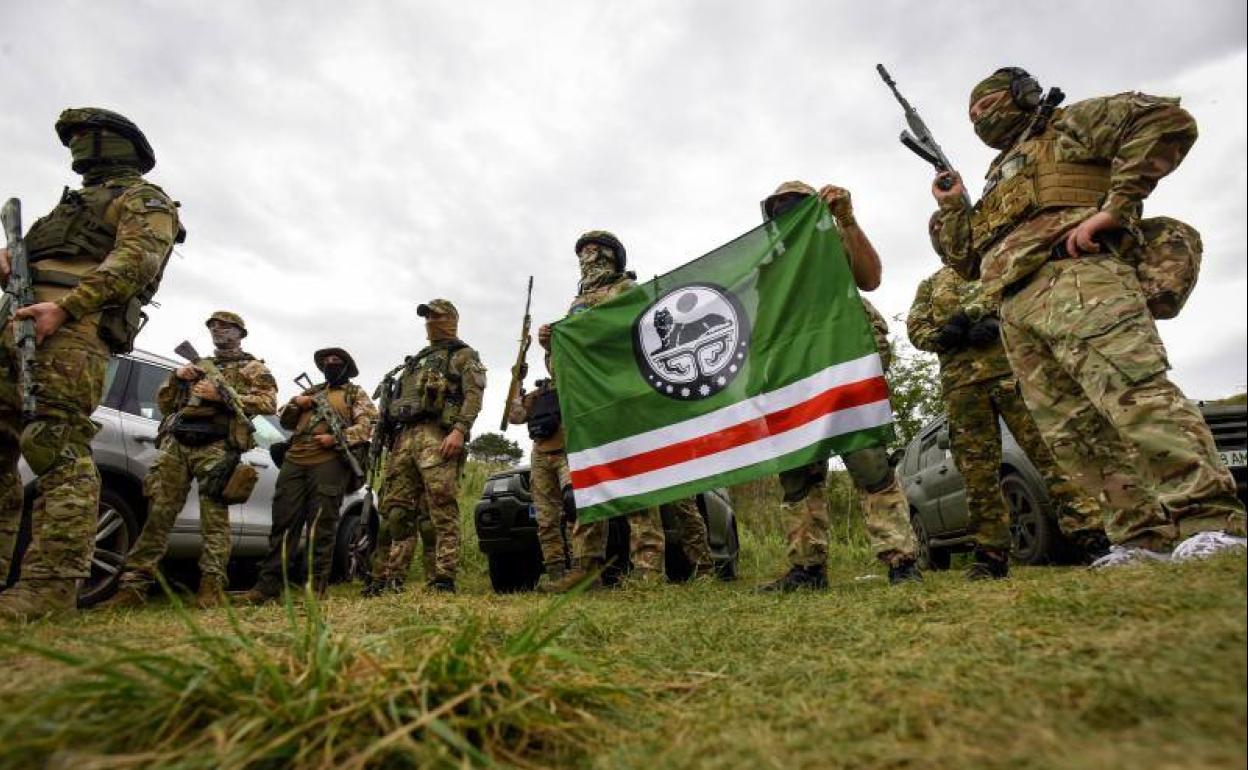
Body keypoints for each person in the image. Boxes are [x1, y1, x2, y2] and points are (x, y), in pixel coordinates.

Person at [933, 67, 1245, 565]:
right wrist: (953, 208)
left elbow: (1166, 120)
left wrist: (1119, 206)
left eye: (987, 107)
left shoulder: (1069, 125)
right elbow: (967, 261)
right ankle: (1140, 537)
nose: (979, 121)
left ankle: (1211, 520)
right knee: (1074, 432)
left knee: (1135, 396)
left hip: (1078, 280)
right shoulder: (999, 179)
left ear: (1021, 96)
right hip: (1015, 307)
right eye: (971, 117)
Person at [0, 108, 180, 621]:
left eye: (84, 136)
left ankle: (51, 589)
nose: (76, 144)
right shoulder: (66, 209)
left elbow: (137, 262)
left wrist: (67, 306)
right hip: (17, 325)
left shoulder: (144, 199)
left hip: (73, 329)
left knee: (53, 445)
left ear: (115, 144)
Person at [908, 214, 1108, 579]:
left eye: (946, 227)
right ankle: (991, 553)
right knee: (978, 471)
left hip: (1014, 372)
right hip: (963, 388)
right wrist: (945, 336)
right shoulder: (931, 285)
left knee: (1049, 454)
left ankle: (1090, 534)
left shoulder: (996, 263)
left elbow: (1028, 300)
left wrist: (1000, 322)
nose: (942, 234)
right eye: (934, 231)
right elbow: (916, 328)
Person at [755, 182, 921, 591]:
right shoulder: (769, 267)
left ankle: (901, 560)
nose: (786, 215)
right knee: (797, 475)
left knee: (868, 461)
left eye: (796, 206)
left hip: (843, 364)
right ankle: (807, 569)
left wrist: (845, 219)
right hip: (795, 376)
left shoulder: (835, 246)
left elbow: (871, 278)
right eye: (778, 210)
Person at [102, 312, 277, 609]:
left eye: (224, 326)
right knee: (158, 515)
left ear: (240, 332)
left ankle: (211, 588)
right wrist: (176, 378)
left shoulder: (253, 367)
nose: (217, 330)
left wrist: (222, 395)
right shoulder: (197, 365)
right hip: (177, 443)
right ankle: (133, 587)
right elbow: (166, 404)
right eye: (212, 326)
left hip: (217, 446)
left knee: (214, 520)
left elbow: (269, 404)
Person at [538, 231, 668, 590]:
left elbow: (642, 340)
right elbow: (562, 370)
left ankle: (647, 568)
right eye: (581, 252)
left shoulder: (627, 292)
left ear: (610, 256)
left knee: (636, 478)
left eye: (592, 251)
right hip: (587, 409)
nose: (585, 257)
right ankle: (586, 567)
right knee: (588, 482)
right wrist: (552, 346)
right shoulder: (575, 303)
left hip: (623, 399)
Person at [365, 299, 486, 594]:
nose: (430, 321)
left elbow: (474, 395)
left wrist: (459, 430)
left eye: (437, 315)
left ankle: (443, 578)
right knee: (396, 511)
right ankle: (390, 577)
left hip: (438, 434)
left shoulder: (462, 355)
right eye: (427, 316)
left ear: (452, 319)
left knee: (441, 510)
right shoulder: (414, 362)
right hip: (404, 438)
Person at [241, 348, 376, 603]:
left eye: (336, 361)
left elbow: (366, 427)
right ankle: (267, 588)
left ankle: (315, 589)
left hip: (329, 462)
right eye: (327, 361)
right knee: (283, 524)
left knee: (321, 527)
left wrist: (336, 438)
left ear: (347, 367)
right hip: (295, 460)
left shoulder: (355, 394)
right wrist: (296, 403)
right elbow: (285, 420)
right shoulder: (311, 392)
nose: (330, 364)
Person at [506, 356, 574, 588]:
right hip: (542, 455)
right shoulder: (540, 393)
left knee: (575, 510)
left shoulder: (577, 384)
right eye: (550, 358)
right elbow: (515, 416)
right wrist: (517, 380)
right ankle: (557, 574)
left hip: (571, 452)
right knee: (545, 519)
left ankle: (581, 571)